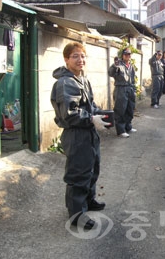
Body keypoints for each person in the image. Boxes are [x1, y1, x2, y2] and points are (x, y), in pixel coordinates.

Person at [50, 42, 110, 230]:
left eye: (83, 56)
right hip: (76, 135)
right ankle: (76, 215)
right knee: (78, 175)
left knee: (92, 168)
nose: (80, 60)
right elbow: (70, 114)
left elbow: (89, 106)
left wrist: (101, 114)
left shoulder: (82, 79)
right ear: (66, 59)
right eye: (75, 56)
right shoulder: (65, 83)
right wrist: (91, 118)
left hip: (88, 133)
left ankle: (88, 200)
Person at [108, 47, 137, 138]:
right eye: (126, 54)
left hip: (130, 88)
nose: (128, 56)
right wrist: (114, 66)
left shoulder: (131, 66)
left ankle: (128, 127)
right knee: (120, 110)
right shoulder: (118, 65)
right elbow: (110, 73)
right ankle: (121, 130)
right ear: (122, 55)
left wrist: (134, 89)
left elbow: (132, 79)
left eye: (129, 54)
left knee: (130, 109)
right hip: (121, 89)